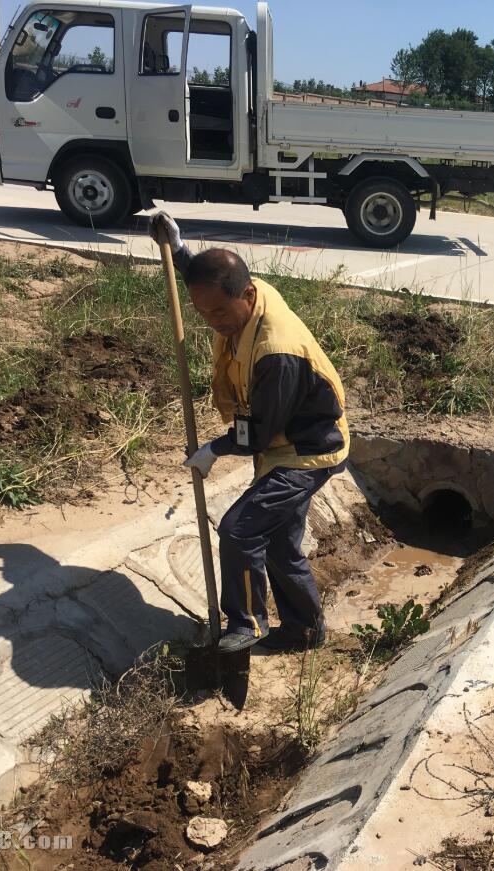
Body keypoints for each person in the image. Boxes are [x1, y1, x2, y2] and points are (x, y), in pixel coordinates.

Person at [150, 212, 349, 654]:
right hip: (283, 441)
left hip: (307, 451)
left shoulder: (277, 352)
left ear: (249, 296)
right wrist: (179, 252)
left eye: (220, 311)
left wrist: (214, 449)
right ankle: (304, 630)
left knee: (240, 530)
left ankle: (247, 626)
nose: (212, 320)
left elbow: (257, 434)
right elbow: (214, 281)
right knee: (279, 542)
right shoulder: (240, 293)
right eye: (202, 312)